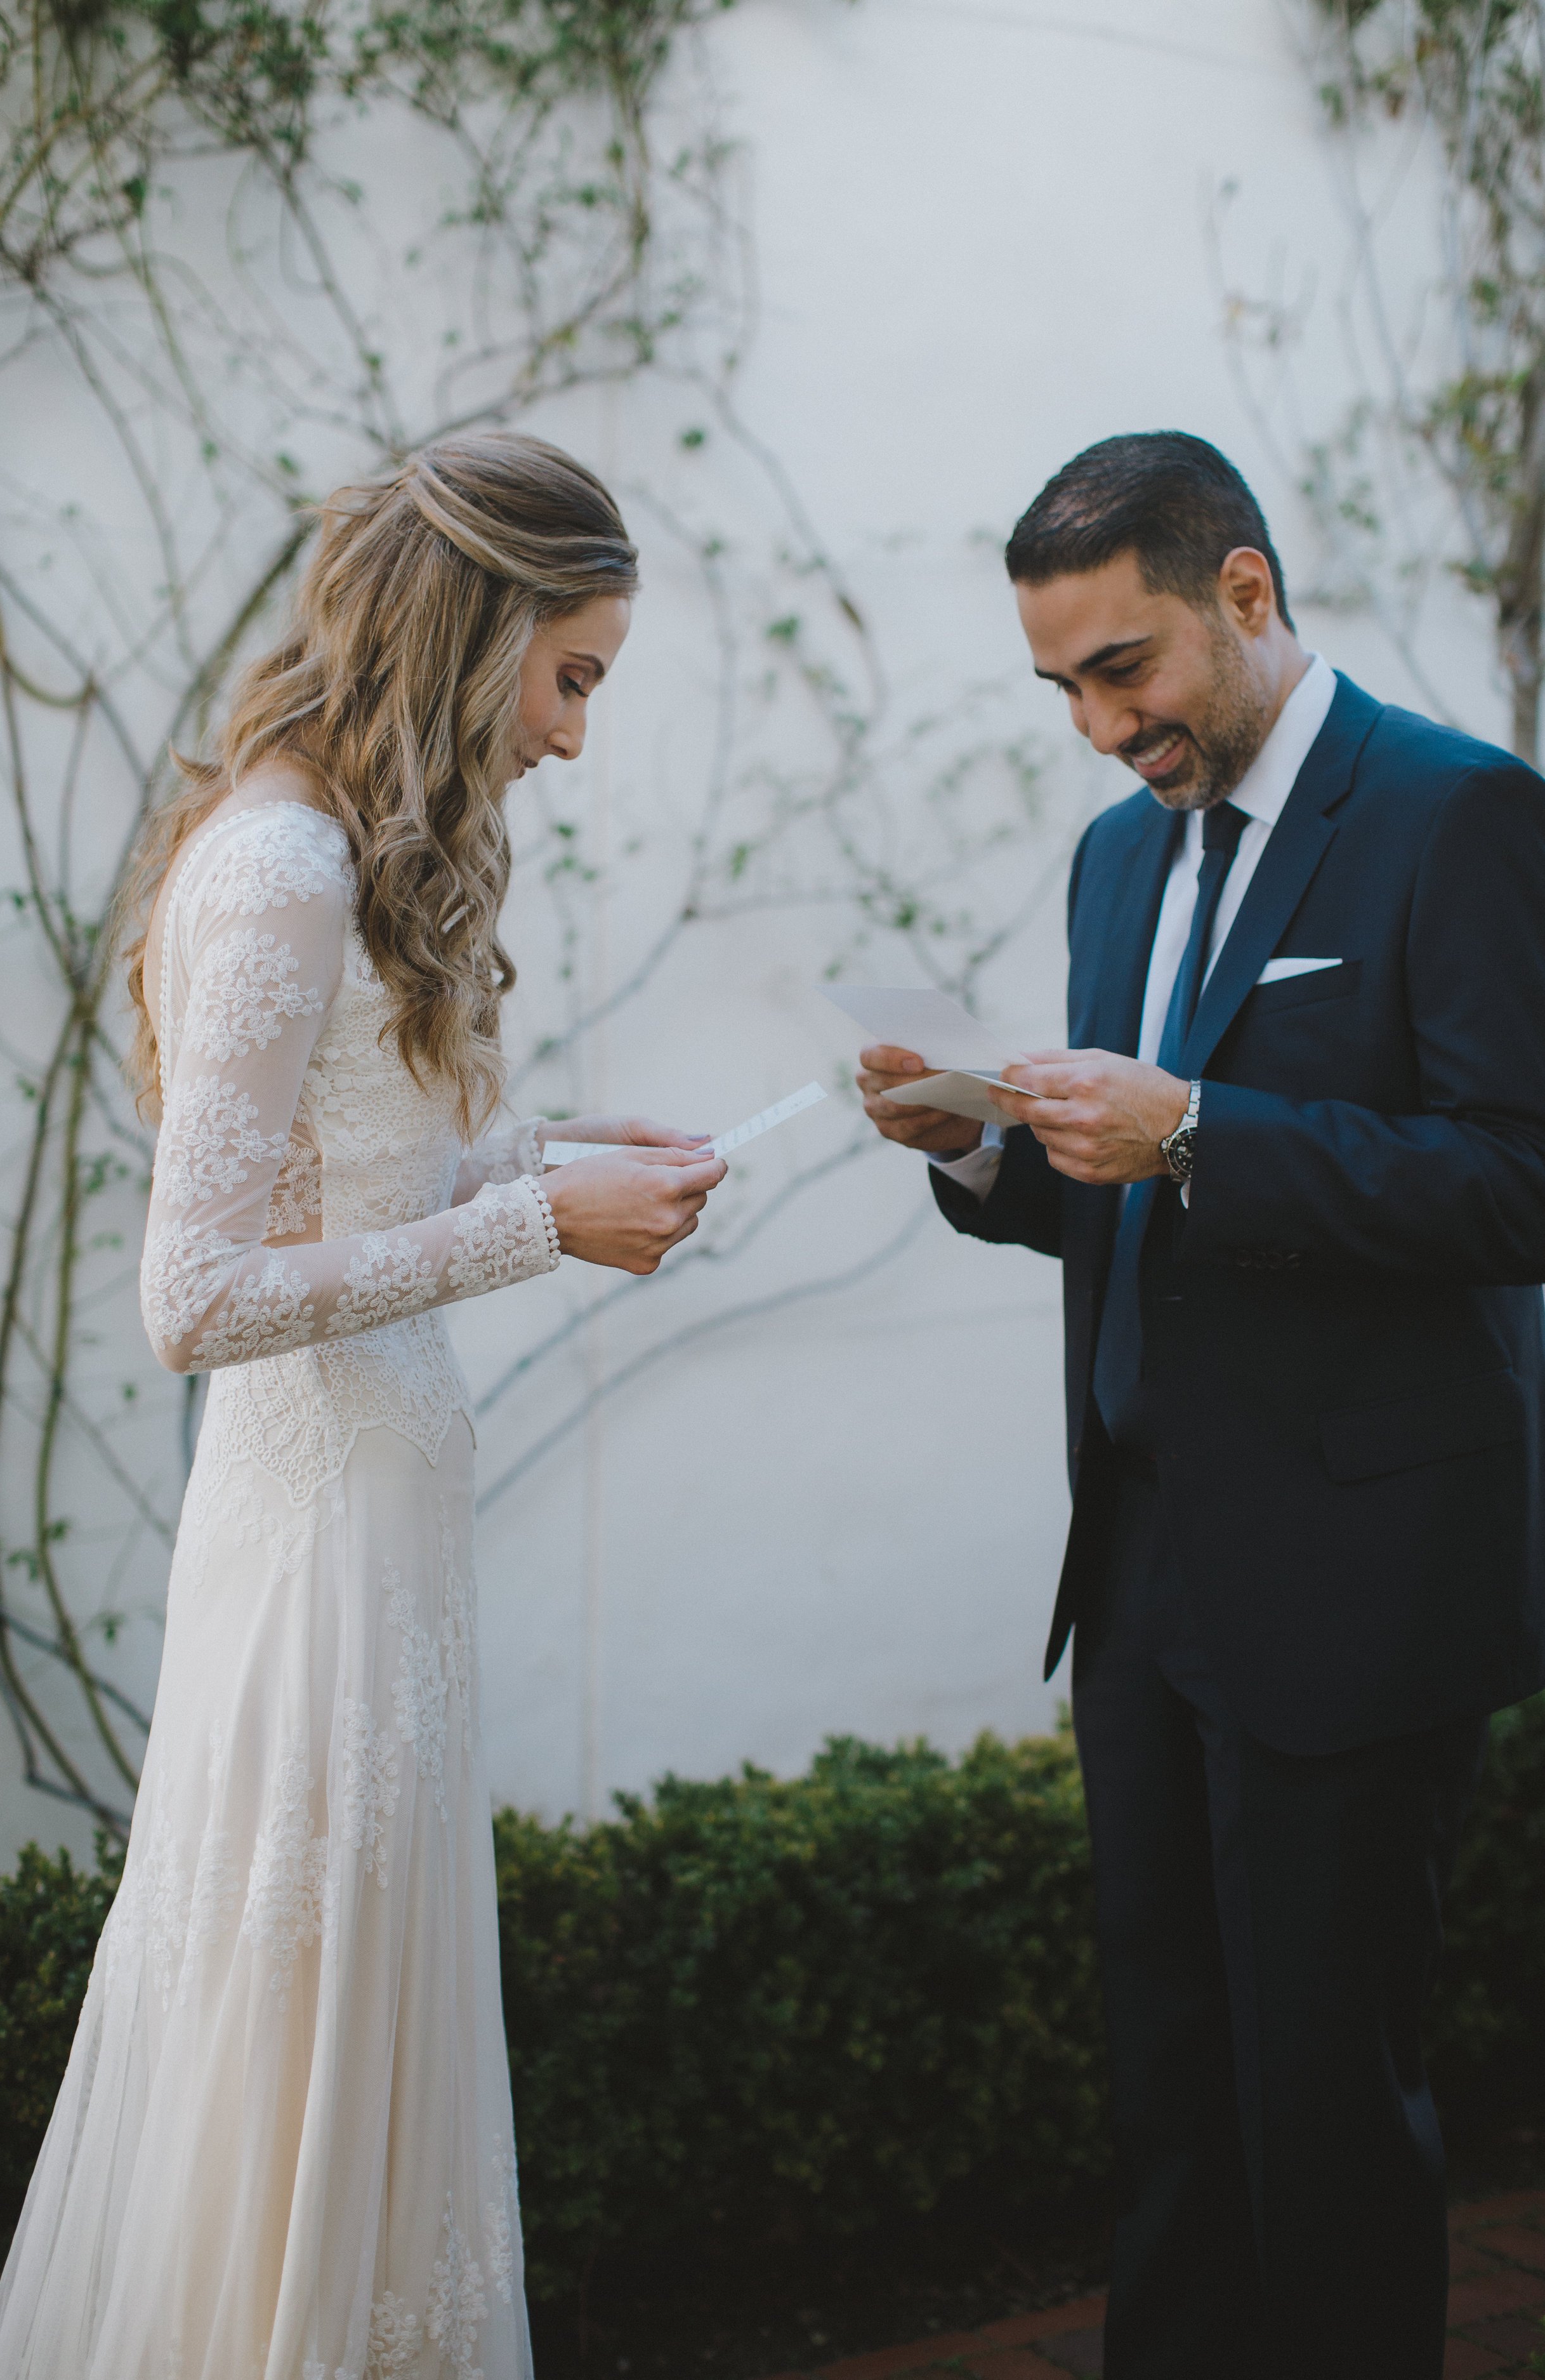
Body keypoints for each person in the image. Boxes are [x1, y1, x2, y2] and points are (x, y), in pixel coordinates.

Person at [0, 430, 726, 2380]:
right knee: (284, 2050)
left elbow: (357, 1185)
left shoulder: (349, 848)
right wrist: (539, 1226)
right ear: (474, 635)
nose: (573, 736)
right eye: (570, 676)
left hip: (383, 1539)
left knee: (350, 2038)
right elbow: (197, 1292)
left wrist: (558, 1157)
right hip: (309, 1556)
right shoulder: (281, 862)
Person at [857, 432, 1545, 2379]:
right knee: (1168, 2098)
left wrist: (1200, 1133)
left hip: (1357, 1571)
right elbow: (1144, 1199)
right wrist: (984, 1152)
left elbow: (1517, 1180)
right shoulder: (1113, 854)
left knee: (1325, 2115)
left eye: (1124, 668)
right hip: (1146, 1571)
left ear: (1243, 594)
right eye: (1061, 685)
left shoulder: (1458, 815)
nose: (1097, 725)